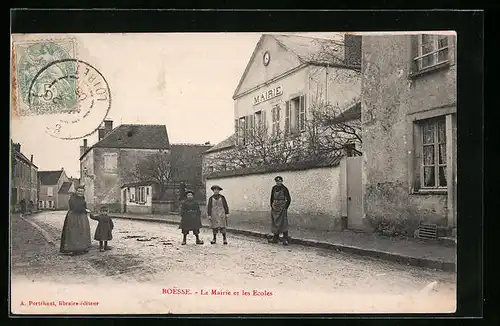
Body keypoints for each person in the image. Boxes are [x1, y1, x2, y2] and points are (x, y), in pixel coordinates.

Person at [60, 185, 92, 255]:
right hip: (74, 217)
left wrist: (85, 210)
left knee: (82, 232)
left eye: (81, 191)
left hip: (82, 217)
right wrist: (85, 210)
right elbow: (75, 208)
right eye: (79, 191)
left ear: (83, 192)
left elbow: (83, 206)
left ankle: (82, 247)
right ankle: (74, 249)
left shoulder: (82, 198)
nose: (80, 192)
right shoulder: (72, 199)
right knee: (74, 232)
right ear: (76, 191)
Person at [269, 176, 292, 245]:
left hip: (282, 208)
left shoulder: (285, 189)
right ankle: (275, 238)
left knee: (283, 223)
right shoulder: (274, 188)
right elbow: (271, 198)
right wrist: (272, 206)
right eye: (277, 181)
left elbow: (289, 199)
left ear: (282, 181)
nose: (278, 182)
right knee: (275, 222)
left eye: (279, 181)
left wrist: (285, 207)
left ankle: (285, 239)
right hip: (275, 207)